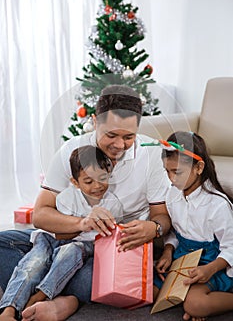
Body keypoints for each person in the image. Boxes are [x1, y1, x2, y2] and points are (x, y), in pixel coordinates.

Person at [0, 85, 171, 321]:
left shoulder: (151, 155)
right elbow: (40, 215)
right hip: (67, 238)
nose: (119, 145)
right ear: (94, 121)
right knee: (7, 243)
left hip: (112, 254)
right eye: (111, 135)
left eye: (128, 136)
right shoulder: (71, 150)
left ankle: (60, 295)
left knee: (90, 274)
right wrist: (82, 223)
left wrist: (155, 228)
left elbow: (161, 216)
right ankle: (61, 289)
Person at [0, 145, 124, 321]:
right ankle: (9, 309)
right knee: (33, 263)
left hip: (81, 247)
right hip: (50, 239)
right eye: (88, 182)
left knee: (70, 253)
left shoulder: (113, 205)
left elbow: (105, 241)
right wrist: (84, 224)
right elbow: (58, 235)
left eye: (102, 178)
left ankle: (40, 296)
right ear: (75, 182)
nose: (97, 186)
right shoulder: (66, 198)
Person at [153, 131, 233, 321]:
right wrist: (168, 250)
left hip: (213, 263)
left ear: (198, 168)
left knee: (195, 305)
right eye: (168, 171)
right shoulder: (173, 194)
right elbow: (174, 232)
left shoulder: (218, 205)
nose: (172, 179)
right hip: (183, 260)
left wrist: (210, 269)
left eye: (177, 172)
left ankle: (205, 302)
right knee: (150, 293)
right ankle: (201, 302)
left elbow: (231, 247)